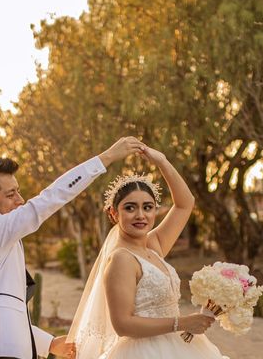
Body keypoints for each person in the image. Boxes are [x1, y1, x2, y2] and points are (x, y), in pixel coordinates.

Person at [0, 137, 145, 359]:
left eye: (18, 190)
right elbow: (47, 201)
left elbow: (4, 309)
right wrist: (105, 158)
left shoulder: (0, 241)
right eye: (10, 194)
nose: (21, 199)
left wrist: (50, 343)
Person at [68, 146, 228, 358]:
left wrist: (162, 160)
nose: (140, 215)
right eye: (130, 208)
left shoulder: (154, 245)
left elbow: (185, 204)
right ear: (114, 213)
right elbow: (123, 325)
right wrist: (182, 323)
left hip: (179, 346)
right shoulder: (121, 259)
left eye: (148, 207)